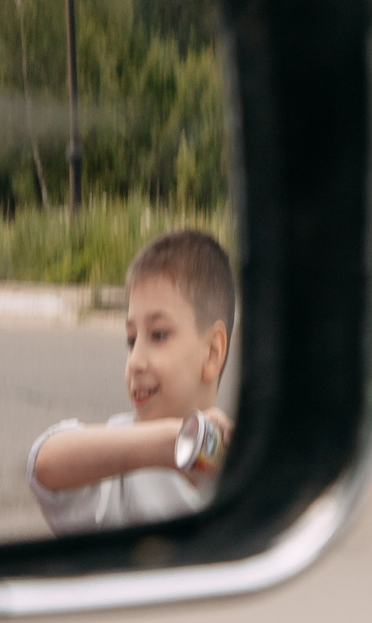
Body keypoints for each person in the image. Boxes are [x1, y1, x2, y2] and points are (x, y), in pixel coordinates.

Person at [27, 228, 234, 533]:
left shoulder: (240, 463)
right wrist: (173, 443)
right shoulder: (121, 460)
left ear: (212, 352)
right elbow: (44, 462)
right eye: (131, 340)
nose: (135, 361)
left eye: (158, 335)